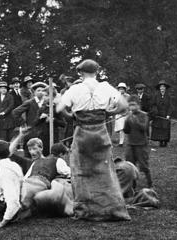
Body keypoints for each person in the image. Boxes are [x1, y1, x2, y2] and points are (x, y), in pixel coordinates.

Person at [56, 59, 130, 221]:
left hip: (82, 133)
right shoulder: (105, 86)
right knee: (105, 171)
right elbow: (124, 105)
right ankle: (113, 209)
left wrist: (72, 116)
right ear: (97, 72)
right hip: (101, 132)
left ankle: (84, 210)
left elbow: (59, 108)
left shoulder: (76, 88)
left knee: (80, 171)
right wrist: (108, 113)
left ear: (81, 73)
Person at [19, 138, 71, 212]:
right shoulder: (58, 160)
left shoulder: (36, 161)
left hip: (28, 181)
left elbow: (25, 178)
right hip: (41, 182)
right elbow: (69, 173)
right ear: (61, 154)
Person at [0, 140, 24, 228]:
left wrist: (2, 223)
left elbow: (13, 201)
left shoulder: (4, 172)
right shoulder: (14, 165)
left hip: (6, 209)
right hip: (13, 203)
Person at [13, 82, 51, 156]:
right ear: (34, 92)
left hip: (45, 133)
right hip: (32, 132)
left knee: (45, 154)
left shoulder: (48, 103)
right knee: (30, 155)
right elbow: (15, 112)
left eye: (43, 90)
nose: (41, 92)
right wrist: (23, 123)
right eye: (38, 90)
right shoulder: (30, 102)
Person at [123, 95, 153, 188]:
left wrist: (135, 120)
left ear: (138, 105)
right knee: (130, 165)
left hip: (141, 144)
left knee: (144, 166)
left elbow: (144, 128)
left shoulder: (144, 115)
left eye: (134, 105)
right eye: (130, 105)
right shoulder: (129, 116)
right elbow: (126, 130)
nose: (132, 107)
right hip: (130, 144)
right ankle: (132, 186)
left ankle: (150, 184)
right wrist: (126, 121)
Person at [150, 80, 172, 147]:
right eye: (161, 87)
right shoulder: (156, 95)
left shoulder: (168, 96)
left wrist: (168, 114)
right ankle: (160, 141)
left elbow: (170, 106)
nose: (162, 88)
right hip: (158, 115)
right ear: (159, 88)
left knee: (165, 128)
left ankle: (165, 142)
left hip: (165, 115)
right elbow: (153, 104)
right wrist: (155, 112)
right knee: (159, 128)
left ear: (165, 88)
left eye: (163, 87)